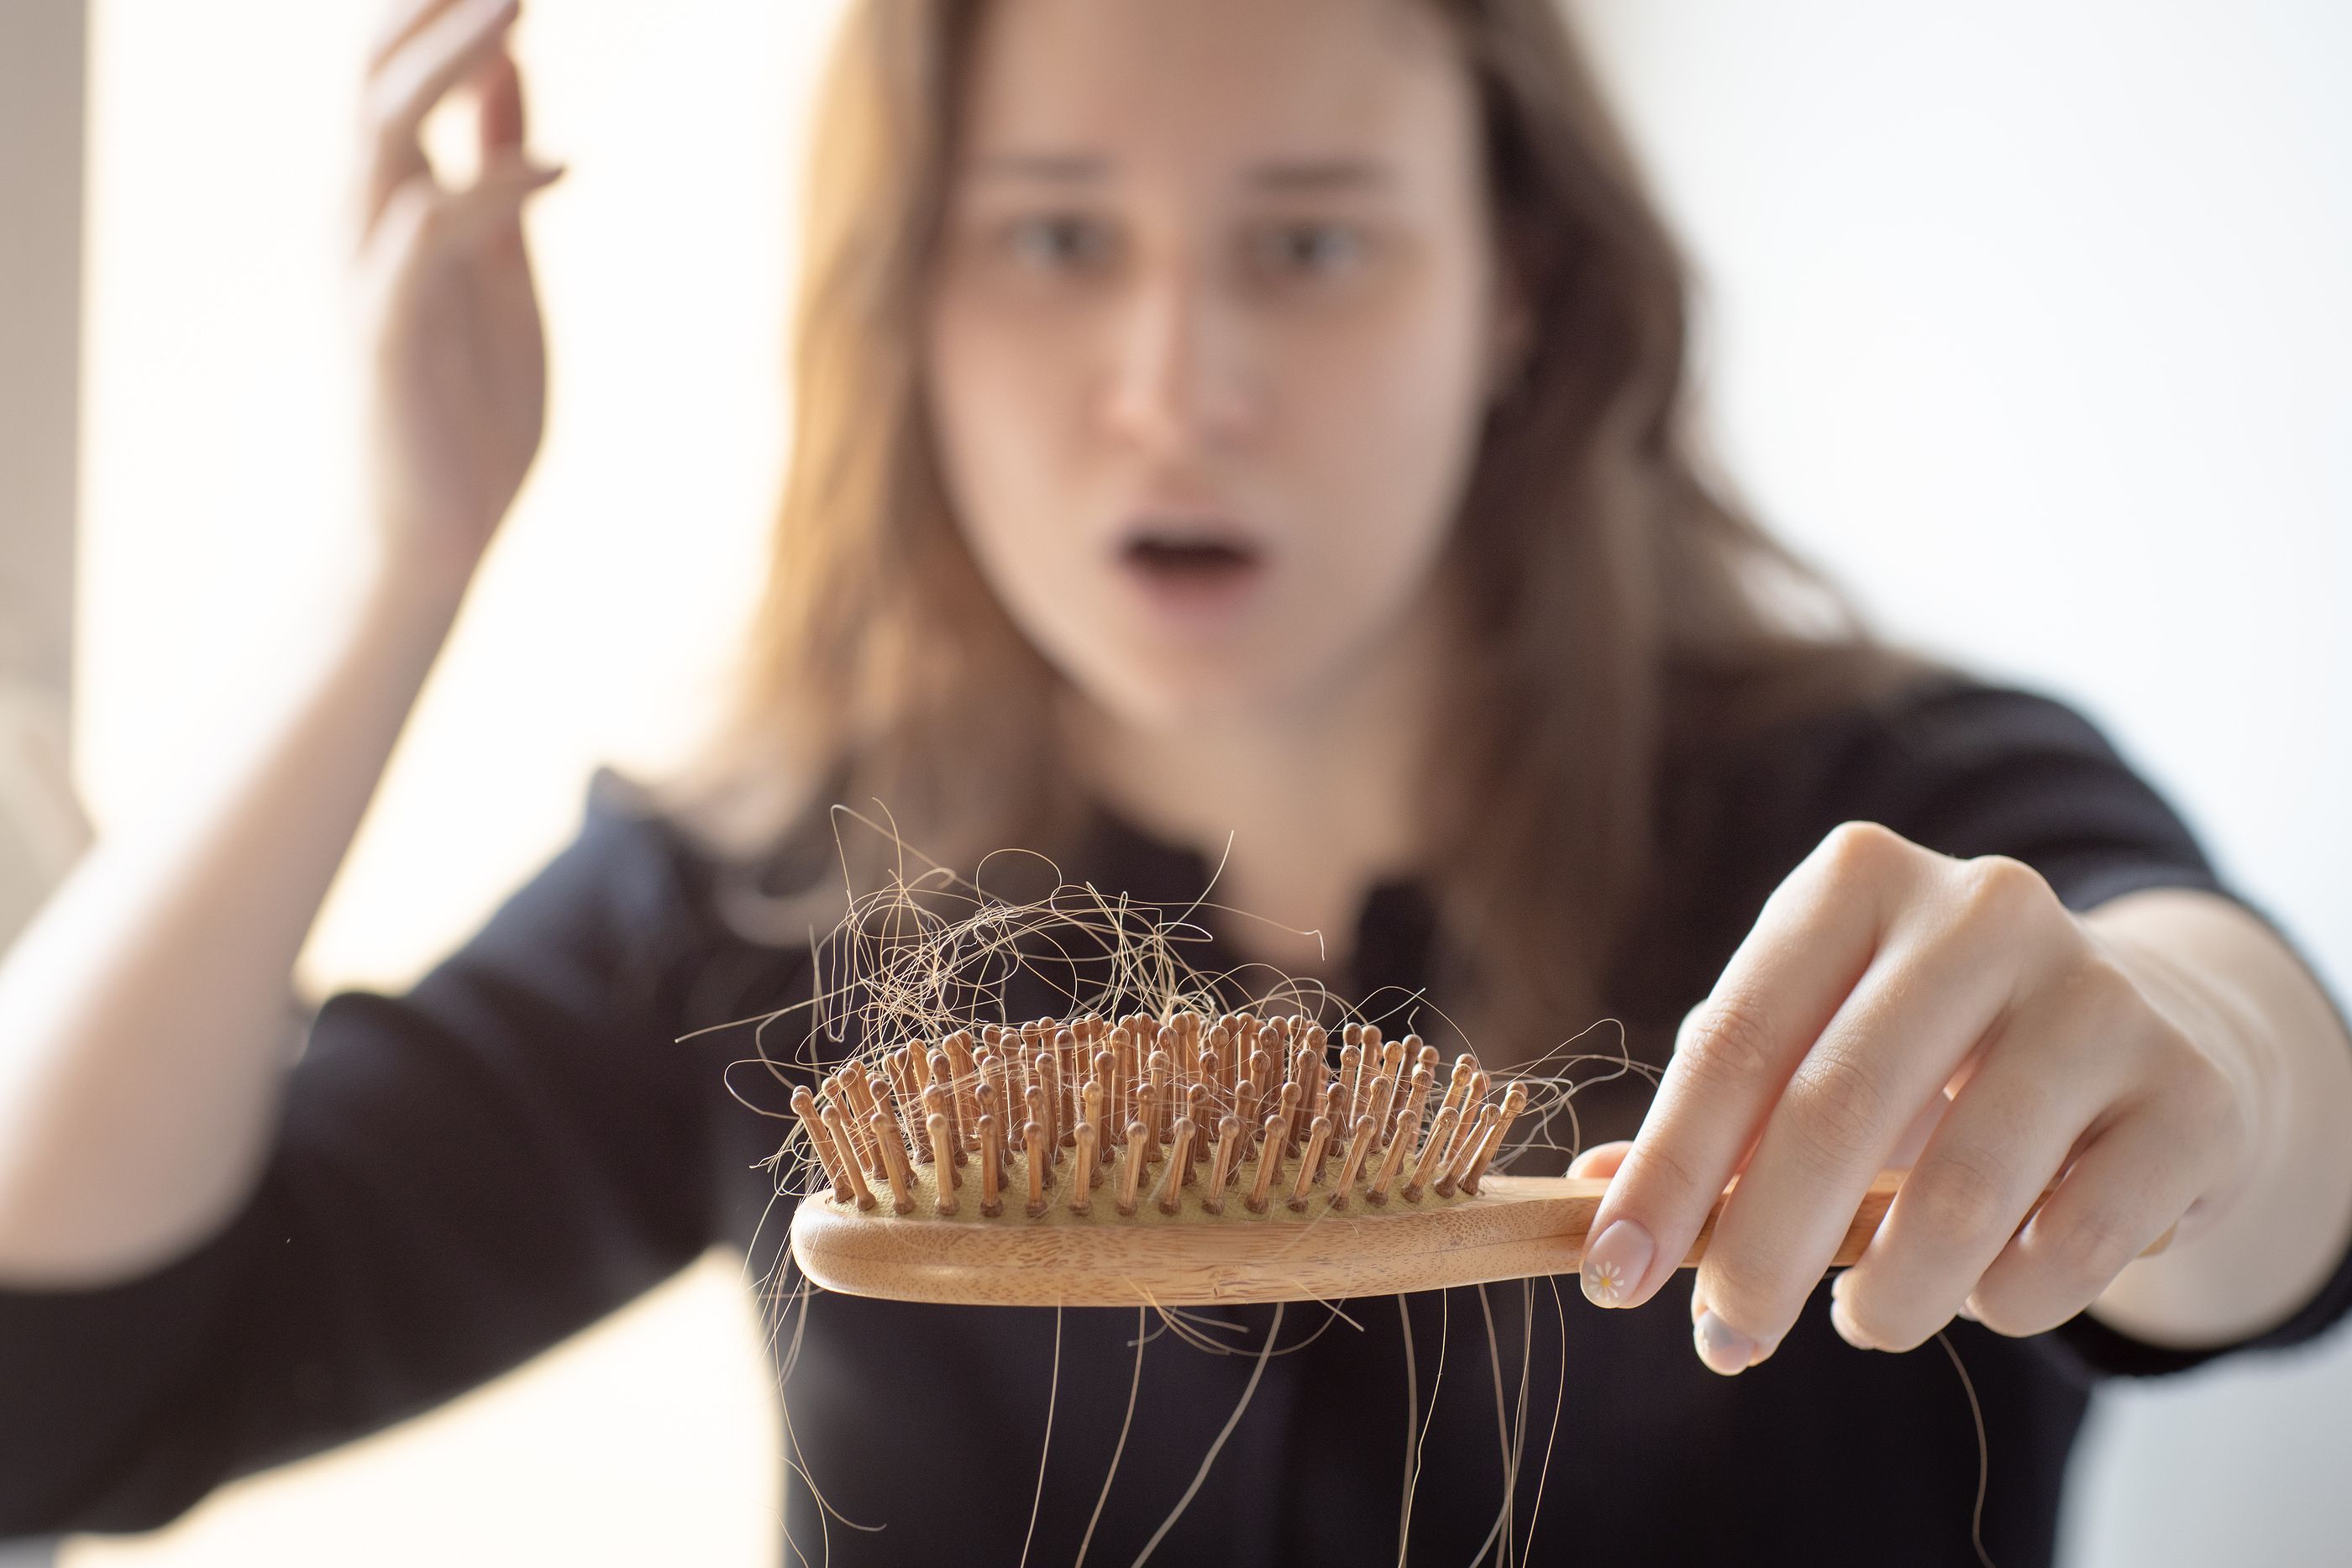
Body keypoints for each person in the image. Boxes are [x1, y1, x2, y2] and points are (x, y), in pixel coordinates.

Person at [3, 0, 2349, 1562]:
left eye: (1310, 240)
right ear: (909, 300)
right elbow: (58, 1384)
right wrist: (399, 553)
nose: (1177, 380)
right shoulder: (760, 896)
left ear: (1514, 283)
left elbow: (2259, 1147)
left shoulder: (1893, 803)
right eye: (1053, 236)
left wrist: (2206, 1073)